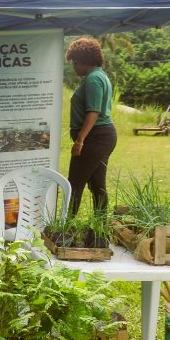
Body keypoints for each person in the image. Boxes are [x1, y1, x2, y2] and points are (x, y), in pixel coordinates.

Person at [65, 36, 118, 217]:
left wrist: (80, 140)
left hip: (95, 137)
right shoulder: (99, 75)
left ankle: (66, 226)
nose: (74, 67)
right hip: (102, 136)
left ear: (84, 61)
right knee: (97, 183)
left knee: (74, 183)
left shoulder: (93, 79)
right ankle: (100, 225)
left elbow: (93, 112)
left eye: (75, 62)